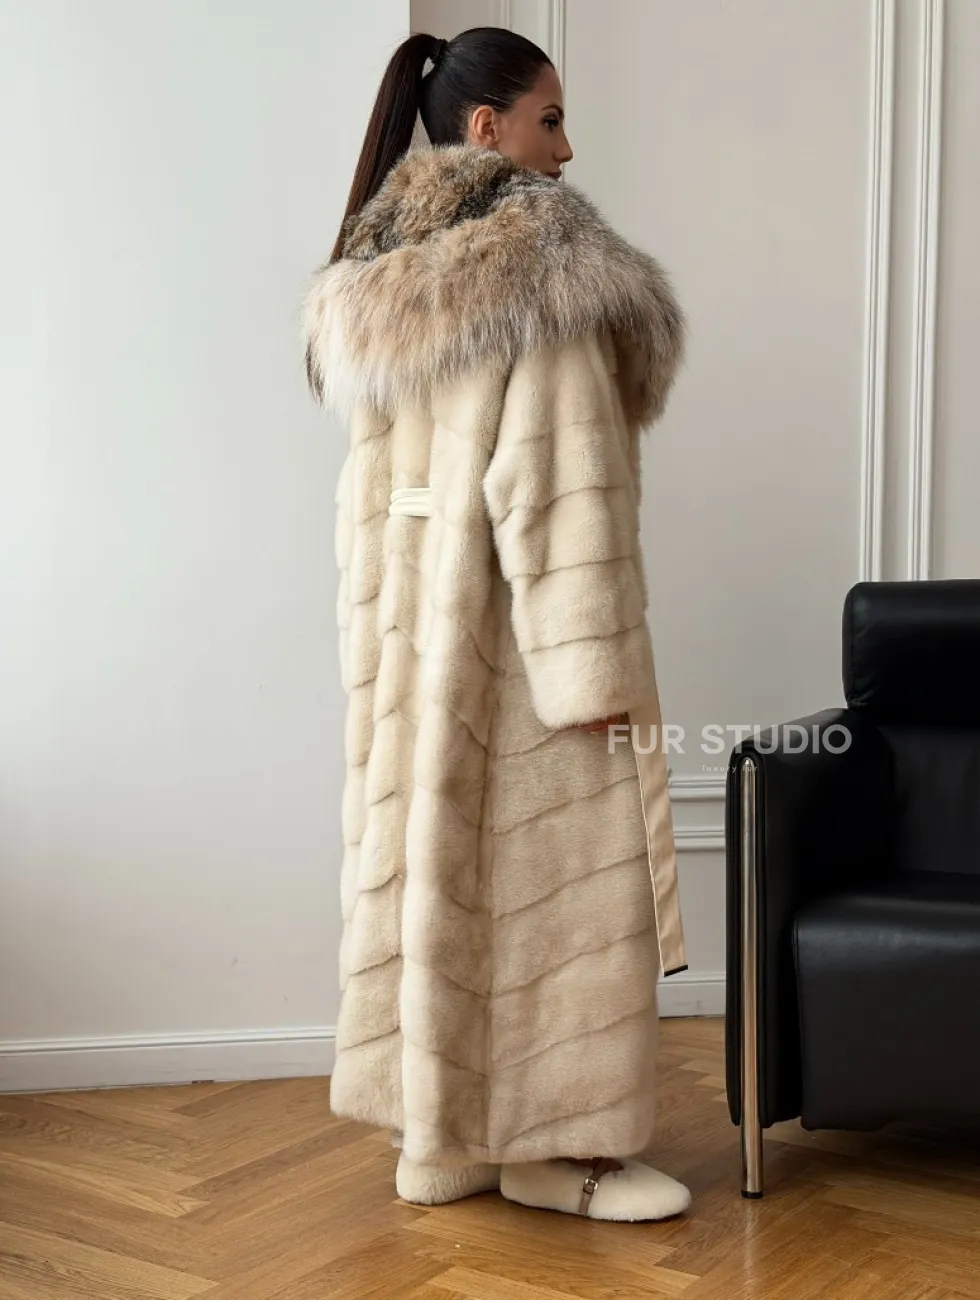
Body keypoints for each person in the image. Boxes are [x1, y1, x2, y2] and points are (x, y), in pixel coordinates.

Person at [304, 26, 691, 1222]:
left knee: (433, 873)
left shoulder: (376, 275)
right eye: (548, 120)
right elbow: (558, 488)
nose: (564, 152)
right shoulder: (544, 269)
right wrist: (593, 674)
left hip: (413, 640)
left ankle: (440, 1137)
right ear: (486, 127)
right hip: (525, 641)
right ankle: (558, 1150)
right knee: (552, 884)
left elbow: (375, 494)